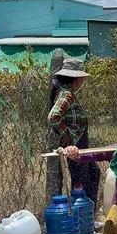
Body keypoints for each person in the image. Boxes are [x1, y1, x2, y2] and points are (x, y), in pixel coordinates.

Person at [48, 59, 100, 202]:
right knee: (81, 180)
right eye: (82, 79)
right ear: (76, 79)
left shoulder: (66, 93)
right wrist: (68, 134)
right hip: (75, 145)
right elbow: (54, 116)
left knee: (93, 173)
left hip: (79, 142)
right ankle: (80, 217)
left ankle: (87, 214)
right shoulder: (66, 95)